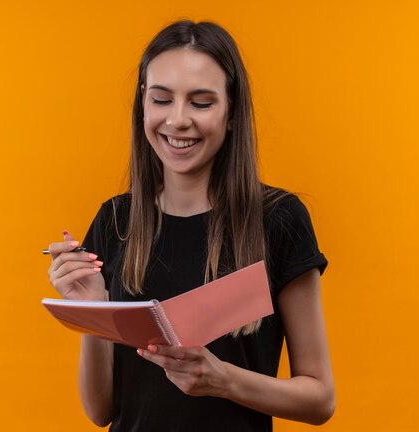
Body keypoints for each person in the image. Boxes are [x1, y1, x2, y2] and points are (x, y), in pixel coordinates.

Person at [46, 20, 335, 432]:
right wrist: (91, 309)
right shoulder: (115, 221)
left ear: (232, 112)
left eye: (201, 103)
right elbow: (100, 411)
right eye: (162, 99)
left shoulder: (279, 219)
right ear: (143, 104)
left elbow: (320, 399)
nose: (178, 120)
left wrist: (224, 380)